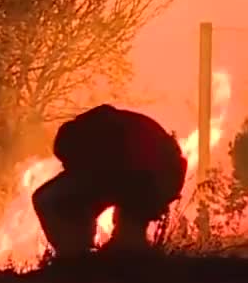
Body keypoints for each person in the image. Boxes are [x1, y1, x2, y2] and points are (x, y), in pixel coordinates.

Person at [32, 105, 188, 258]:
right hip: (161, 174)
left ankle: (82, 257)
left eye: (68, 162)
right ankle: (98, 254)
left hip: (149, 176)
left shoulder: (106, 144)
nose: (66, 168)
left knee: (49, 199)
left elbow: (100, 187)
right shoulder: (105, 132)